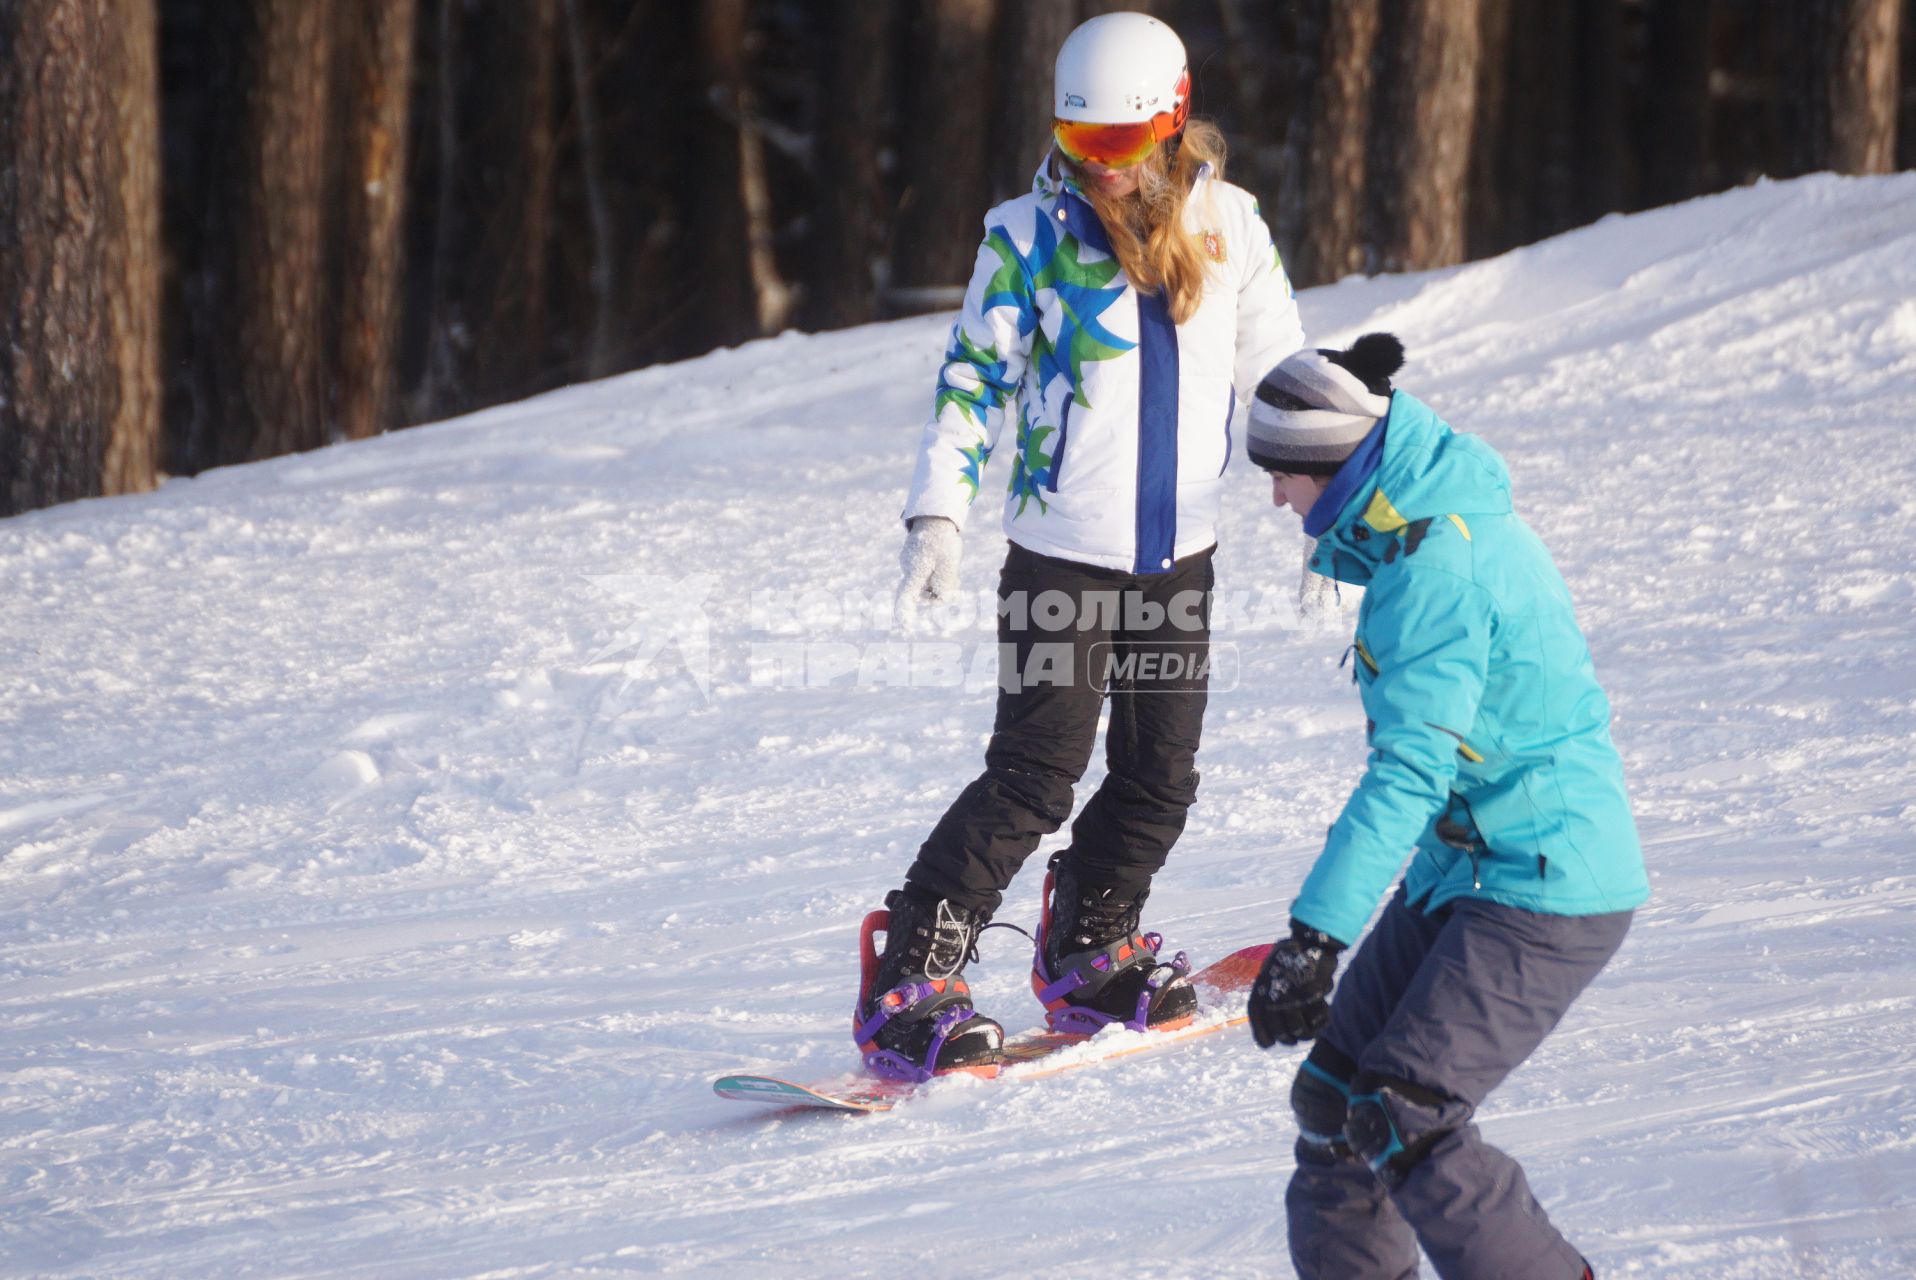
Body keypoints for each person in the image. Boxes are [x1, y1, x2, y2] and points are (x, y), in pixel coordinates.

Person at [853, 11, 1306, 1083]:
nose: (1098, 173)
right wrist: (937, 511)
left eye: (1117, 149)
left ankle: (1091, 939)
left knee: (1159, 777)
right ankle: (909, 970)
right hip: (1060, 563)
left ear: (1171, 122)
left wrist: (1338, 495)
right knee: (1033, 775)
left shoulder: (1229, 229)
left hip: (1176, 563)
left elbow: (1282, 378)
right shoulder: (1025, 236)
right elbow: (974, 381)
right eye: (1078, 147)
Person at [1241, 334, 1649, 1279]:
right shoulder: (1412, 528)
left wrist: (1316, 937)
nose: (1275, 498)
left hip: (1545, 881)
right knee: (1337, 1105)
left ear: (1333, 466)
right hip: (1466, 867)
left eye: (1284, 474)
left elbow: (1409, 772)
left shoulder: (1435, 567)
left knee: (1402, 1111)